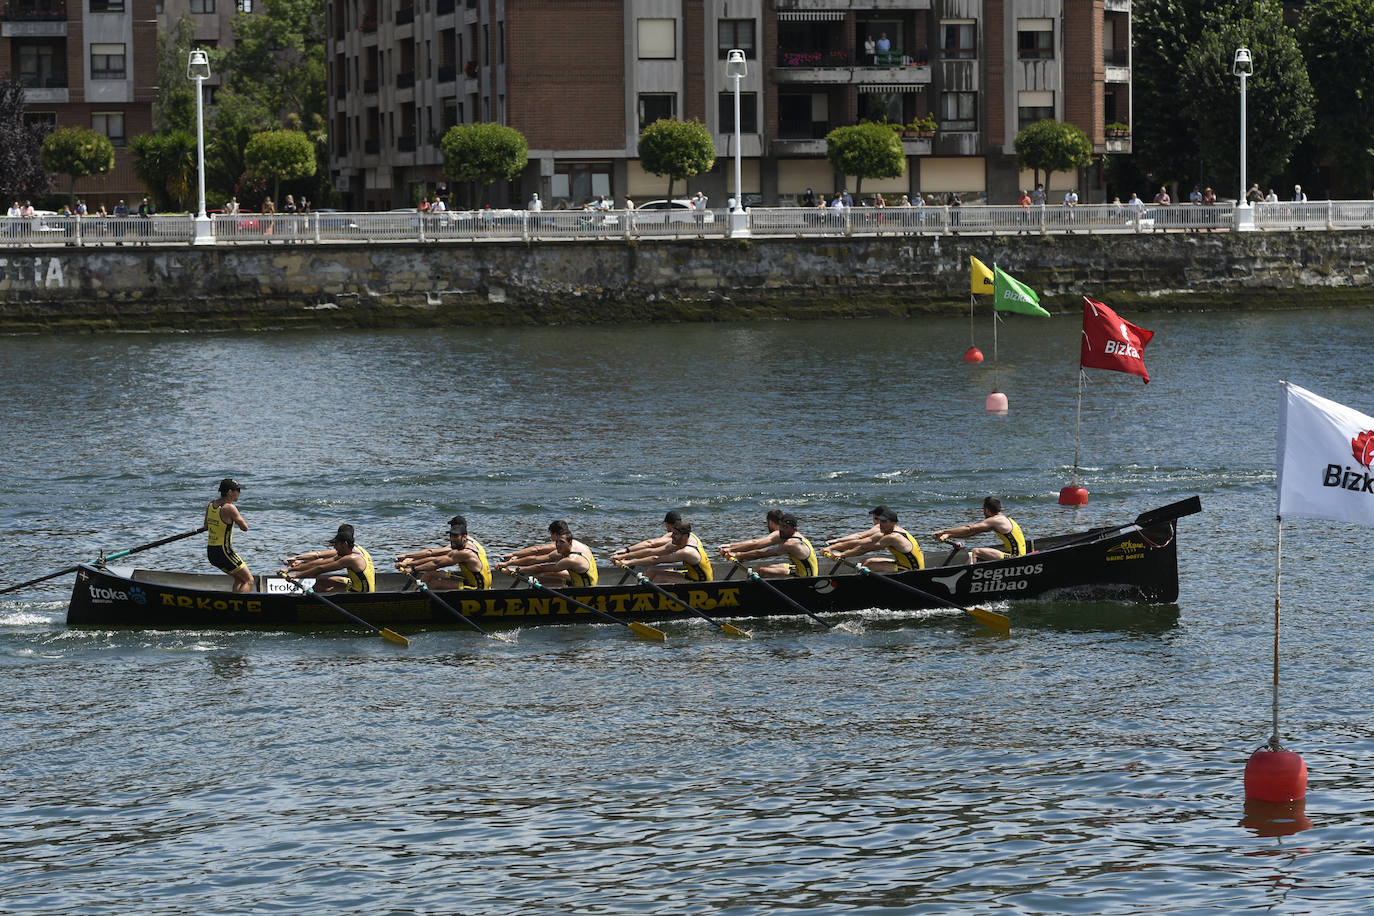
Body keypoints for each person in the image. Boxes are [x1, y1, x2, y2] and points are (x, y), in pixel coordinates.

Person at [396, 515, 492, 590]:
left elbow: (435, 561)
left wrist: (412, 567)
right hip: (472, 577)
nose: (452, 539)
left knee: (435, 583)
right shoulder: (469, 542)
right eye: (451, 535)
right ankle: (415, 593)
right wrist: (408, 560)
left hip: (479, 588)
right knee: (431, 574)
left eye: (455, 535)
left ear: (464, 536)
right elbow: (434, 557)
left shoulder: (465, 552)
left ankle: (416, 601)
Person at [930, 496, 1028, 564]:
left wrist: (943, 531)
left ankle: (964, 578)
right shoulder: (1004, 519)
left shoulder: (995, 520)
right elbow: (972, 532)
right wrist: (949, 536)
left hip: (1015, 557)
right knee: (981, 555)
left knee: (975, 552)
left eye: (983, 509)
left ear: (987, 510)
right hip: (1019, 555)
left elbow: (969, 528)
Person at [501, 520, 598, 587]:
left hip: (587, 585)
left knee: (543, 575)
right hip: (585, 576)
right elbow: (537, 559)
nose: (557, 544)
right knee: (541, 576)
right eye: (557, 542)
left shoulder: (571, 556)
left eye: (561, 542)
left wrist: (514, 563)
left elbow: (537, 551)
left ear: (555, 534)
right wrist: (511, 563)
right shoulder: (568, 545)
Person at [282, 524, 376, 593]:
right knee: (321, 580)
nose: (334, 548)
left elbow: (321, 568)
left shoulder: (351, 559)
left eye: (336, 544)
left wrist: (296, 575)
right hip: (356, 584)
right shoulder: (356, 550)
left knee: (323, 589)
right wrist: (294, 568)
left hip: (361, 592)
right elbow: (321, 563)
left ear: (345, 544)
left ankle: (311, 607)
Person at [721, 512, 817, 579]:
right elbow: (756, 543)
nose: (782, 529)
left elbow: (762, 554)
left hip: (806, 577)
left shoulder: (792, 544)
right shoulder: (784, 534)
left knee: (762, 571)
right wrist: (730, 547)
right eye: (781, 526)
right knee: (759, 568)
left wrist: (737, 556)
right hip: (797, 568)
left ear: (794, 530)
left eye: (786, 527)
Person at [827, 508, 923, 573]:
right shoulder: (887, 531)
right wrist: (832, 547)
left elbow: (865, 549)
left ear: (893, 523)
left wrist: (842, 554)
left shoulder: (893, 537)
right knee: (865, 562)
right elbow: (861, 542)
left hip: (912, 570)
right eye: (880, 520)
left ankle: (851, 586)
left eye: (884, 521)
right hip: (902, 563)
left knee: (868, 565)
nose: (881, 524)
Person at [618, 522, 713, 583]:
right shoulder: (688, 539)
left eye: (675, 534)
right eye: (672, 533)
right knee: (652, 571)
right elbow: (652, 551)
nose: (671, 537)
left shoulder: (687, 552)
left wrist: (629, 562)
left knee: (659, 578)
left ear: (684, 536)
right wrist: (625, 556)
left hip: (701, 582)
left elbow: (656, 559)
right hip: (691, 574)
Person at [205, 478, 252, 593]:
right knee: (249, 580)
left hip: (211, 552)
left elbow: (206, 526)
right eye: (238, 490)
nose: (239, 493)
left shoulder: (211, 505)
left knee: (239, 579)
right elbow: (244, 528)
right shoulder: (230, 508)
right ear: (229, 492)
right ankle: (240, 606)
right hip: (224, 551)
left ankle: (234, 602)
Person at [611, 510, 683, 564]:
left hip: (690, 574)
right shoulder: (686, 533)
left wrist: (626, 551)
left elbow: (650, 544)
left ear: (667, 524)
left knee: (652, 570)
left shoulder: (674, 535)